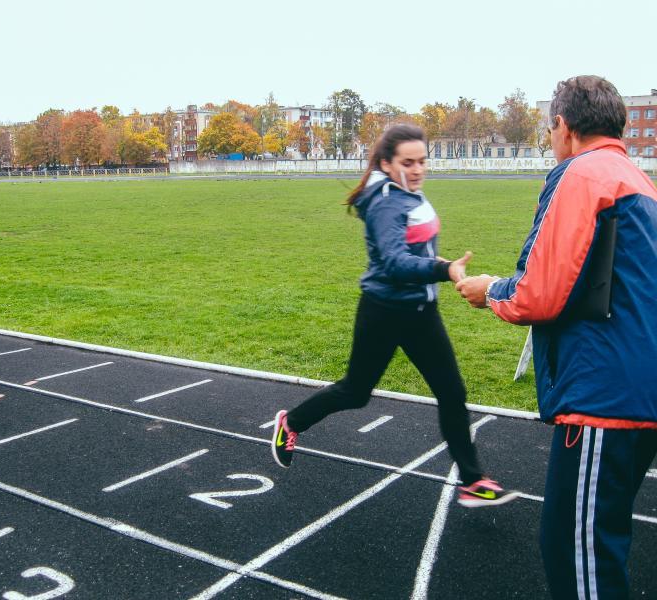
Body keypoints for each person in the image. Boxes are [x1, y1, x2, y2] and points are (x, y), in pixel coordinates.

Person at [456, 75, 657, 598]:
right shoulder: (639, 180)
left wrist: (488, 290)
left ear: (564, 127)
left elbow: (537, 293)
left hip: (603, 396)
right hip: (638, 392)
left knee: (578, 556)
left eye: (550, 130)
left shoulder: (581, 174)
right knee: (593, 544)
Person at [270, 123, 518, 508]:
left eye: (423, 161)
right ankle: (292, 423)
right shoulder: (386, 200)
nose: (418, 169)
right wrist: (444, 268)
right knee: (355, 392)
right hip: (384, 311)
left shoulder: (408, 192)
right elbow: (394, 262)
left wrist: (439, 264)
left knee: (452, 393)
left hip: (421, 311)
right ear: (387, 163)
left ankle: (472, 480)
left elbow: (414, 251)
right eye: (408, 162)